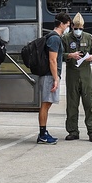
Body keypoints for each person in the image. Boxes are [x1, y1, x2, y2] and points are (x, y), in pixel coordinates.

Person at [62, 13, 92, 142]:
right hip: (72, 74)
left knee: (90, 104)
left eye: (81, 28)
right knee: (72, 104)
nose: (78, 30)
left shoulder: (88, 38)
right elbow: (59, 54)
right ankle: (73, 131)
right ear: (72, 26)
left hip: (86, 75)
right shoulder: (66, 38)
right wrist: (70, 55)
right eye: (76, 28)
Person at [37, 12, 72, 145]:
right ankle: (42, 134)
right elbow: (52, 60)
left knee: (47, 104)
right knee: (45, 104)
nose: (68, 28)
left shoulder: (52, 37)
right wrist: (55, 78)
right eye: (67, 25)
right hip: (49, 75)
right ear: (62, 24)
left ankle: (43, 133)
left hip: (49, 75)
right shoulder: (55, 38)